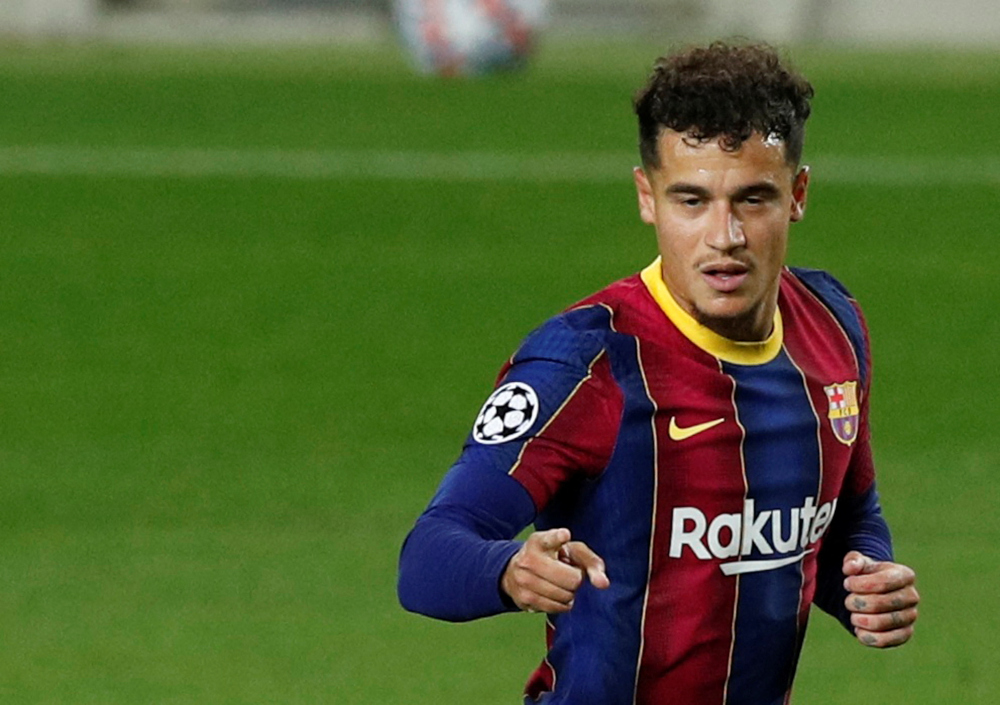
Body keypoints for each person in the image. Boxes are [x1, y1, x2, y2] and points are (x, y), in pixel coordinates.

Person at [398, 41, 919, 705]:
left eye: (752, 199)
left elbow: (846, 511)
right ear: (648, 198)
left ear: (799, 194)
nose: (723, 235)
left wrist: (867, 584)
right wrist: (508, 570)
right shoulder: (586, 362)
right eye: (691, 200)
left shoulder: (834, 329)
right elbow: (427, 557)